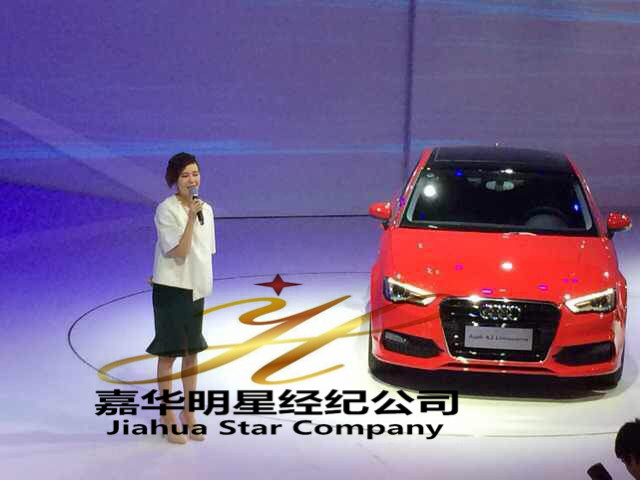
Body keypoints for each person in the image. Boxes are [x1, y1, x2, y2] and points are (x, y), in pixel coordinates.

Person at [146, 152, 215, 444]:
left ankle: (189, 413)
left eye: (195, 173)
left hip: (194, 290)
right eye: (185, 175)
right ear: (174, 179)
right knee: (169, 353)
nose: (192, 180)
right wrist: (189, 220)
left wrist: (203, 285)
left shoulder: (206, 209)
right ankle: (167, 416)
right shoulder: (166, 210)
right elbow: (180, 251)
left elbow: (206, 252)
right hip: (172, 291)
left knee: (192, 353)